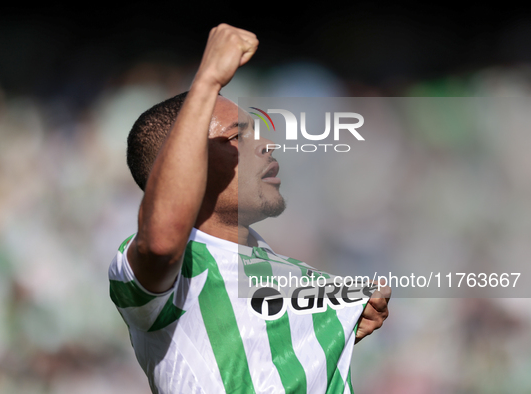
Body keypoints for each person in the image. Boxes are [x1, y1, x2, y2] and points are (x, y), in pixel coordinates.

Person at [108, 24, 390, 394]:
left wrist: (337, 325)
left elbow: (262, 362)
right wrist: (207, 81)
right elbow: (160, 242)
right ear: (184, 160)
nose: (267, 144)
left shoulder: (292, 278)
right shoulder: (169, 271)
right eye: (237, 136)